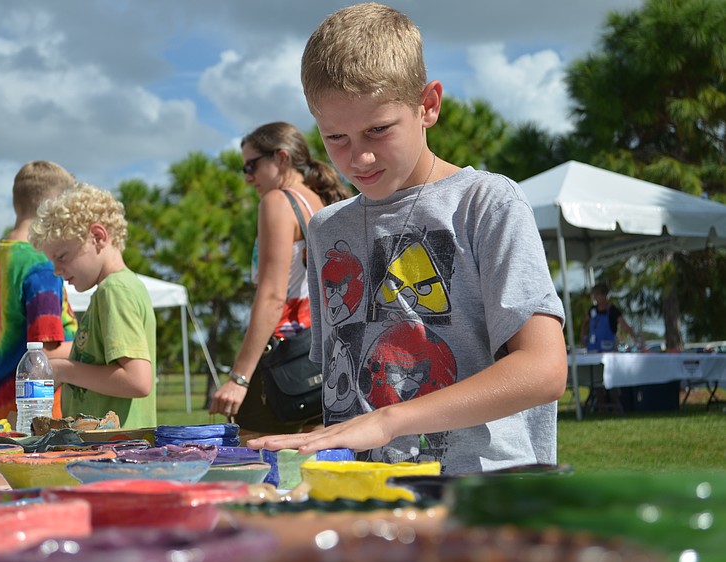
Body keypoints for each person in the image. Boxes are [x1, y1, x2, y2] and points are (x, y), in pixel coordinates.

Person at [247, 3, 568, 474]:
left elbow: (543, 369)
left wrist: (389, 421)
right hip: (363, 494)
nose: (359, 157)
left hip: (481, 492)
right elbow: (343, 384)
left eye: (378, 129)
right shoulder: (326, 229)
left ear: (428, 105)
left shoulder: (485, 203)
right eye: (336, 137)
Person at [208, 121, 349, 442]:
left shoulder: (277, 202)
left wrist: (239, 379)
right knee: (315, 468)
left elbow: (273, 297)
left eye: (251, 165)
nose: (247, 176)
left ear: (282, 157)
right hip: (327, 359)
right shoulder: (321, 202)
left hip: (283, 363)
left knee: (254, 465)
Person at [28, 182, 157, 429]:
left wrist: (64, 370)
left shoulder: (114, 290)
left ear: (98, 237)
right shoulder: (118, 288)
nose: (56, 270)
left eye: (62, 257)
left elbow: (138, 381)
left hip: (115, 456)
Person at [0, 161, 78, 424]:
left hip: (0, 408)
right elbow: (43, 354)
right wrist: (93, 345)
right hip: (35, 415)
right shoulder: (40, 265)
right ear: (53, 208)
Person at [580, 283, 639, 352]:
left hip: (608, 350)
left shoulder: (613, 310)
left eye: (597, 294)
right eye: (594, 295)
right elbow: (585, 323)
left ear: (604, 295)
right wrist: (583, 335)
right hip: (592, 348)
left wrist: (636, 339)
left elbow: (625, 326)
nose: (595, 297)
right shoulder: (592, 310)